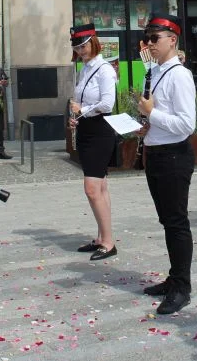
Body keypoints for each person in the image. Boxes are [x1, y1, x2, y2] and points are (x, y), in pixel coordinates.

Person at [137, 13, 197, 315]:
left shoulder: (179, 75)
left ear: (172, 40)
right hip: (158, 152)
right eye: (147, 38)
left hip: (174, 155)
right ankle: (174, 278)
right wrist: (147, 124)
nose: (149, 43)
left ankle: (181, 287)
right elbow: (162, 116)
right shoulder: (158, 71)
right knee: (167, 221)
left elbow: (187, 124)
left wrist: (152, 114)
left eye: (154, 38)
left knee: (176, 222)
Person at [68, 24, 119, 261]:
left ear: (94, 42)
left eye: (85, 45)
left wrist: (83, 110)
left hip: (101, 130)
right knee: (101, 187)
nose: (81, 50)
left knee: (91, 188)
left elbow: (107, 104)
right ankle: (102, 237)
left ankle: (108, 242)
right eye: (77, 47)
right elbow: (81, 103)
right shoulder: (85, 68)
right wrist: (76, 117)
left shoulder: (104, 69)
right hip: (88, 129)